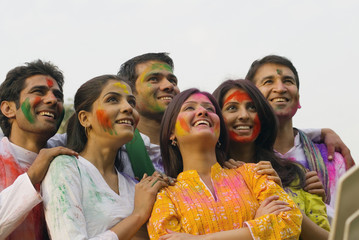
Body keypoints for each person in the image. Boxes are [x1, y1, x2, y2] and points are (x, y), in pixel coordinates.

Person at [148, 88, 302, 240]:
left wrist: (202, 239)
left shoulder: (255, 173)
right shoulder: (165, 196)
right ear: (170, 133)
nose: (202, 112)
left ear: (220, 128)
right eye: (189, 107)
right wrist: (254, 227)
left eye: (210, 109)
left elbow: (290, 222)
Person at [41, 75, 168, 239]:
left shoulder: (133, 186)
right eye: (113, 99)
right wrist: (138, 216)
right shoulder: (66, 167)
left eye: (131, 102)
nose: (128, 108)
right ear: (85, 118)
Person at [213, 79, 330, 240]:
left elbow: (332, 236)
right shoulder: (207, 180)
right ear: (215, 119)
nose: (244, 116)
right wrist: (258, 226)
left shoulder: (297, 175)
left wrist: (286, 203)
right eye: (232, 108)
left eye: (252, 107)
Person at [245, 55, 347, 218]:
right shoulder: (241, 159)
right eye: (268, 82)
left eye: (288, 81)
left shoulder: (332, 159)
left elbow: (348, 225)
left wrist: (316, 203)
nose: (280, 88)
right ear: (251, 97)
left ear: (298, 97)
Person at [0, 60, 77, 239]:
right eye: (38, 92)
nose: (52, 100)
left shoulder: (70, 157)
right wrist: (31, 177)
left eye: (57, 95)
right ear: (8, 108)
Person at [117, 52, 180, 179]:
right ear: (130, 91)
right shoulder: (114, 147)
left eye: (172, 80)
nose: (169, 86)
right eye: (154, 79)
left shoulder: (191, 144)